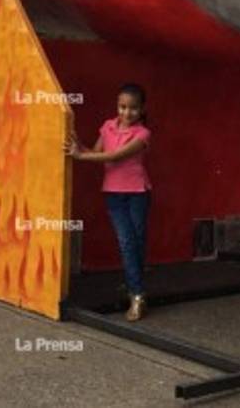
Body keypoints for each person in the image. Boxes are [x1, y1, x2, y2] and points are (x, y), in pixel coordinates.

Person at [65, 83, 153, 321]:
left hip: (137, 193)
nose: (127, 112)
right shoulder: (107, 127)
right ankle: (137, 295)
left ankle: (135, 289)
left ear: (142, 109)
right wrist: (78, 146)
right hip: (113, 194)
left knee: (136, 243)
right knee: (126, 242)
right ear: (117, 106)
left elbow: (115, 156)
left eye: (133, 108)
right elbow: (96, 152)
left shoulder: (143, 134)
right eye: (122, 107)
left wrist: (80, 155)